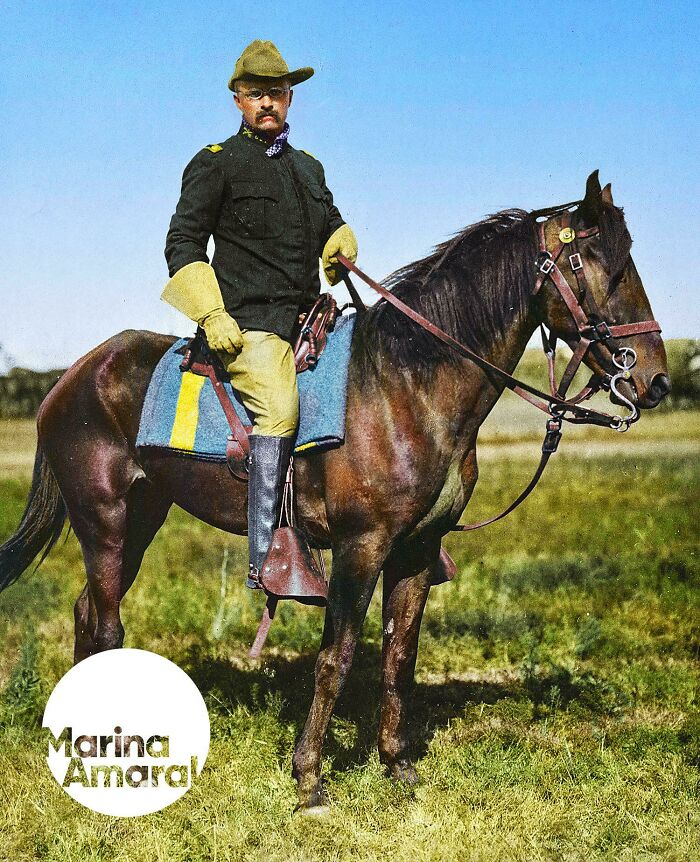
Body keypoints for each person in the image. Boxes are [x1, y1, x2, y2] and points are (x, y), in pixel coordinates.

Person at [161, 40, 358, 590]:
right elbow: (182, 242)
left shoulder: (309, 169)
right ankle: (269, 556)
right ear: (238, 100)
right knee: (279, 408)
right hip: (248, 325)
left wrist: (340, 242)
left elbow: (331, 224)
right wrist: (211, 313)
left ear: (290, 97)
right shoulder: (216, 164)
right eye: (255, 94)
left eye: (275, 92)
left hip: (311, 317)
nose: (266, 103)